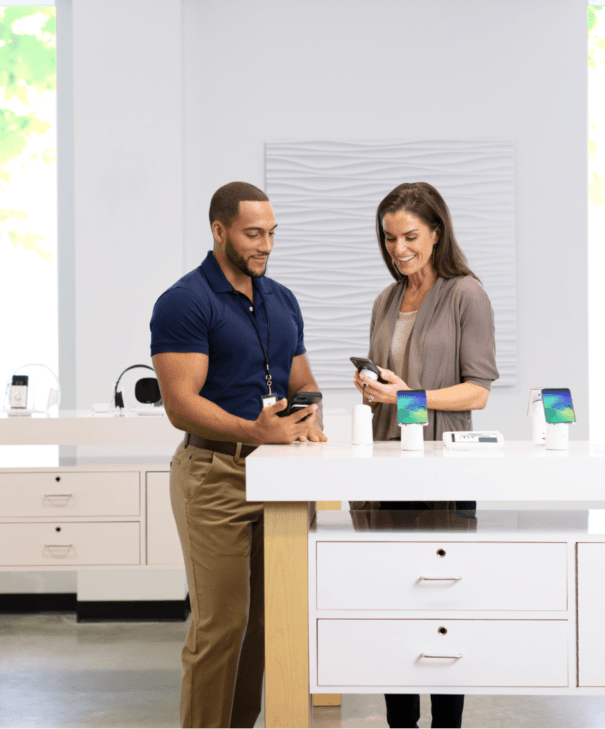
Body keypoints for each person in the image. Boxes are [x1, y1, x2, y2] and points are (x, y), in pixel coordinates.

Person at [149, 181, 327, 729]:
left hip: (282, 474)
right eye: (253, 233)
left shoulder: (282, 298)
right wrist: (256, 429)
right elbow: (180, 405)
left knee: (266, 625)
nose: (265, 245)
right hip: (216, 475)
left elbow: (302, 380)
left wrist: (309, 417)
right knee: (221, 625)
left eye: (271, 233)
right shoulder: (184, 301)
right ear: (219, 230)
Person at [351, 181, 499, 729]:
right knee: (392, 605)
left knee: (440, 602)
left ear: (436, 232)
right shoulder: (386, 300)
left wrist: (407, 395)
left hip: (442, 468)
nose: (398, 248)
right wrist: (376, 387)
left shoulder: (466, 294)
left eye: (409, 236)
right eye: (389, 238)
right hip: (387, 464)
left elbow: (477, 390)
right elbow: (392, 384)